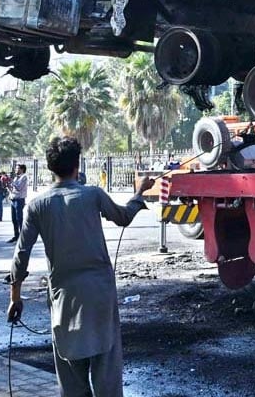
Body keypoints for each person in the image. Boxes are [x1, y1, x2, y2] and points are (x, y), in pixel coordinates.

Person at [8, 138, 155, 397]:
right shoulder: (93, 194)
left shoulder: (37, 206)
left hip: (64, 300)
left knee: (71, 376)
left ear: (51, 168)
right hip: (100, 296)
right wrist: (140, 192)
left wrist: (15, 298)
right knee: (107, 373)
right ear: (77, 165)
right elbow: (123, 217)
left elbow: (21, 254)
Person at [8, 164, 29, 244]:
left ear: (22, 169)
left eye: (18, 168)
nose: (16, 170)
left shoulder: (24, 177)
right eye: (16, 168)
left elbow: (19, 188)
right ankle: (16, 235)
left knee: (19, 219)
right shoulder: (16, 177)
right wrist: (8, 185)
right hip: (13, 199)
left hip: (19, 200)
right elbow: (12, 189)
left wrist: (12, 182)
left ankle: (22, 236)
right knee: (14, 219)